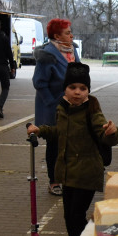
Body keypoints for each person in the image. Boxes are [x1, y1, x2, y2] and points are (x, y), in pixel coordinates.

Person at [27, 62, 118, 236]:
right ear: (65, 89)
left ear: (88, 90)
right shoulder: (63, 108)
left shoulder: (92, 110)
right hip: (68, 172)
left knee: (76, 216)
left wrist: (111, 132)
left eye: (83, 88)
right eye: (73, 87)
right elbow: (60, 132)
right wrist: (41, 130)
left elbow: (106, 136)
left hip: (87, 173)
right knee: (69, 217)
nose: (78, 92)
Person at [33, 19, 79, 196]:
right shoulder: (47, 55)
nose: (71, 35)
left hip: (73, 107)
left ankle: (68, 177)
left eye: (70, 32)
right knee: (54, 145)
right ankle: (54, 180)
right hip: (52, 108)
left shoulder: (73, 50)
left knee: (69, 144)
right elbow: (39, 82)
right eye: (68, 33)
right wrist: (53, 102)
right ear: (57, 36)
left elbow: (79, 73)